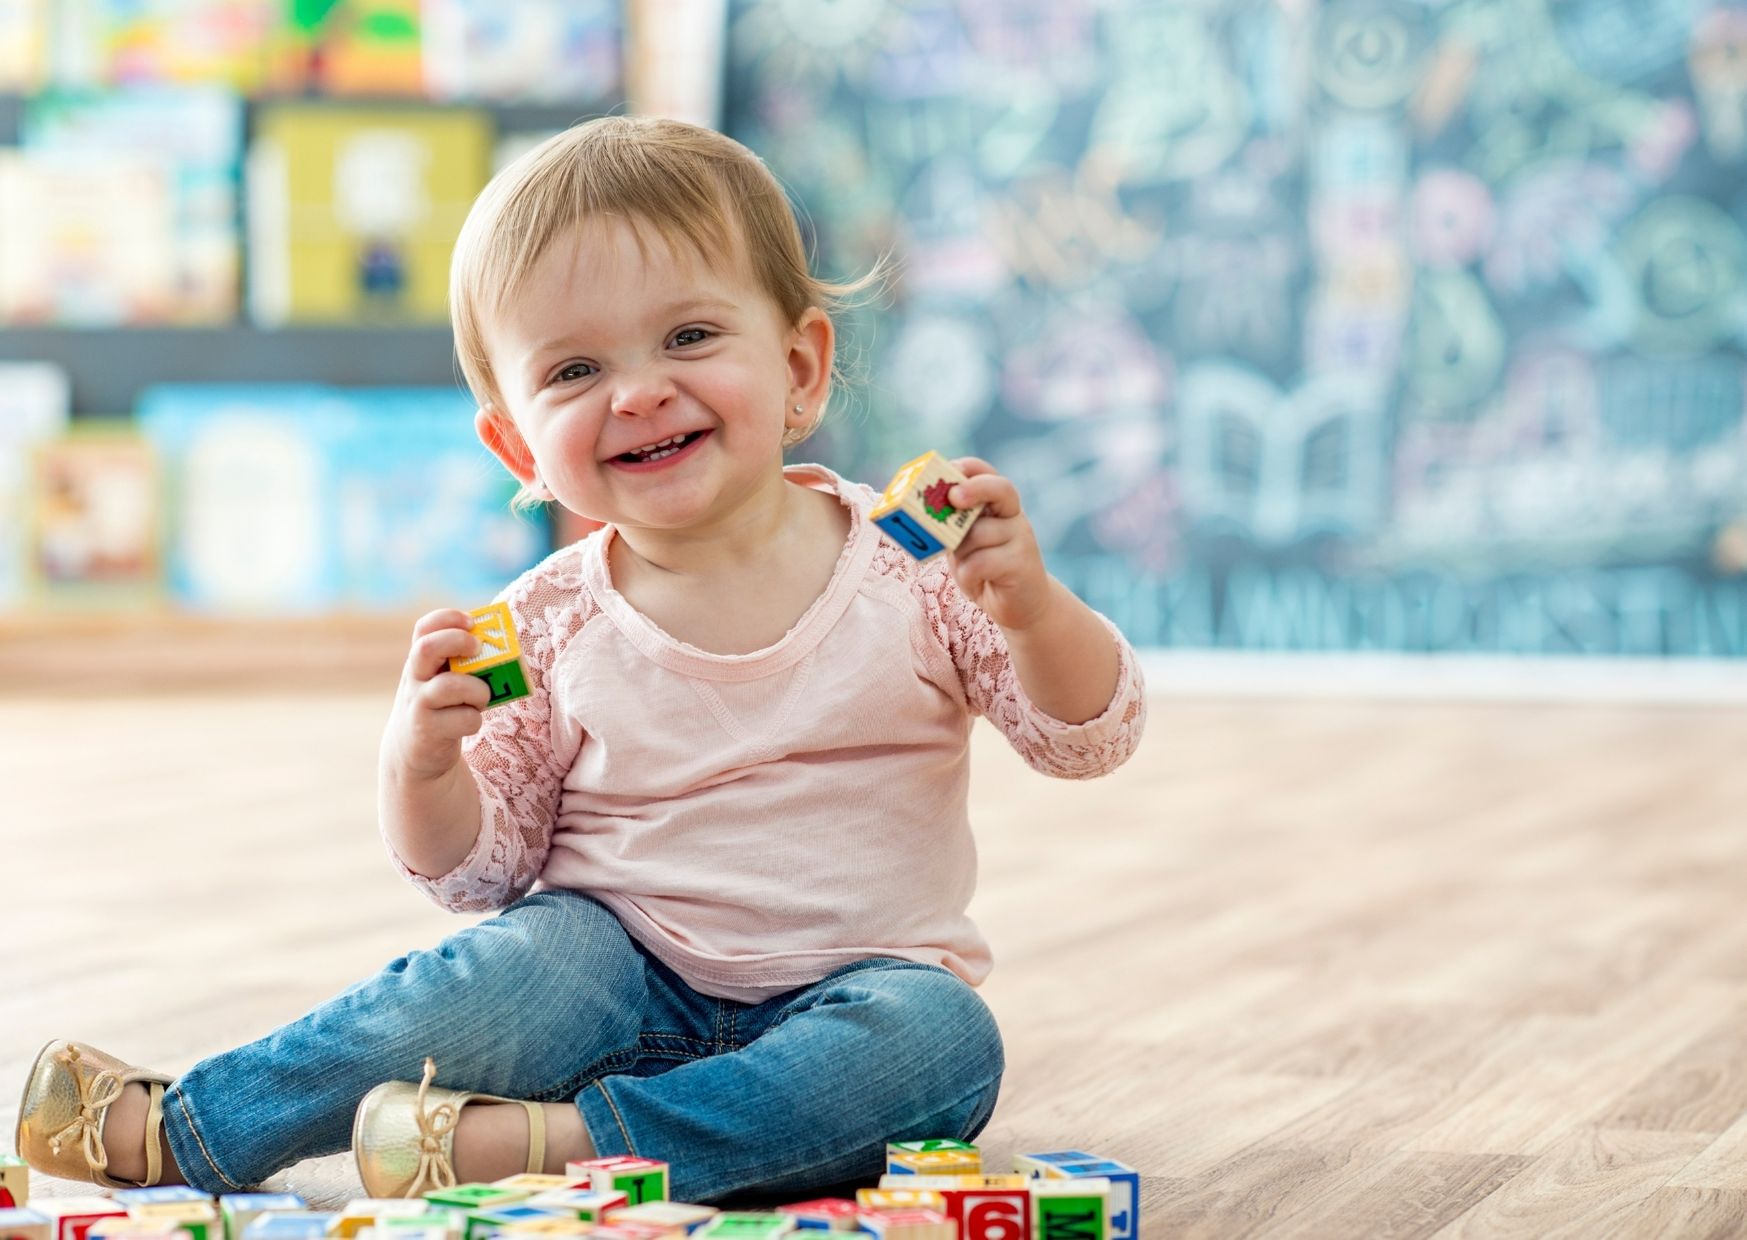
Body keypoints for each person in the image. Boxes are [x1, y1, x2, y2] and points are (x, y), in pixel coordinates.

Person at [15, 116, 1147, 1206]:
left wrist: (1032, 607)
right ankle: (194, 1125)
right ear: (516, 444)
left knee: (944, 1042)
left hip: (854, 1000)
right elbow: (480, 875)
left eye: (691, 337)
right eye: (572, 371)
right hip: (612, 991)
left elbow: (1087, 735)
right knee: (532, 958)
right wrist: (421, 766)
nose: (640, 389)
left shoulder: (919, 570)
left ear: (800, 366)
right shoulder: (546, 623)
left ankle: (556, 1145)